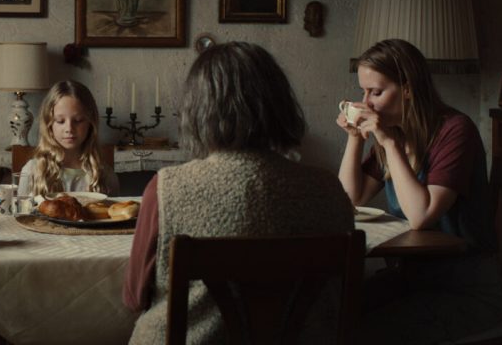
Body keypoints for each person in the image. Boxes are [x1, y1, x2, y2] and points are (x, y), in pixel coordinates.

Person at [124, 42, 354, 344]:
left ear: (197, 112)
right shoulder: (328, 188)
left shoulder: (167, 187)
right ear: (279, 104)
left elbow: (134, 297)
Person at [337, 38, 502, 344]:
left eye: (376, 92)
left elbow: (421, 216)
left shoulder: (455, 131)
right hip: (414, 279)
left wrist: (388, 143)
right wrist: (355, 138)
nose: (366, 103)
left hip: (466, 289)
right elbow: (350, 200)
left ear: (408, 89)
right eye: (363, 92)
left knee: (365, 333)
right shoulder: (397, 131)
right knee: (333, 312)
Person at [17, 80, 119, 197]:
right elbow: (22, 213)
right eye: (60, 121)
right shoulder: (32, 171)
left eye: (78, 120)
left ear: (90, 123)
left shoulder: (105, 175)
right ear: (49, 124)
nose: (69, 128)